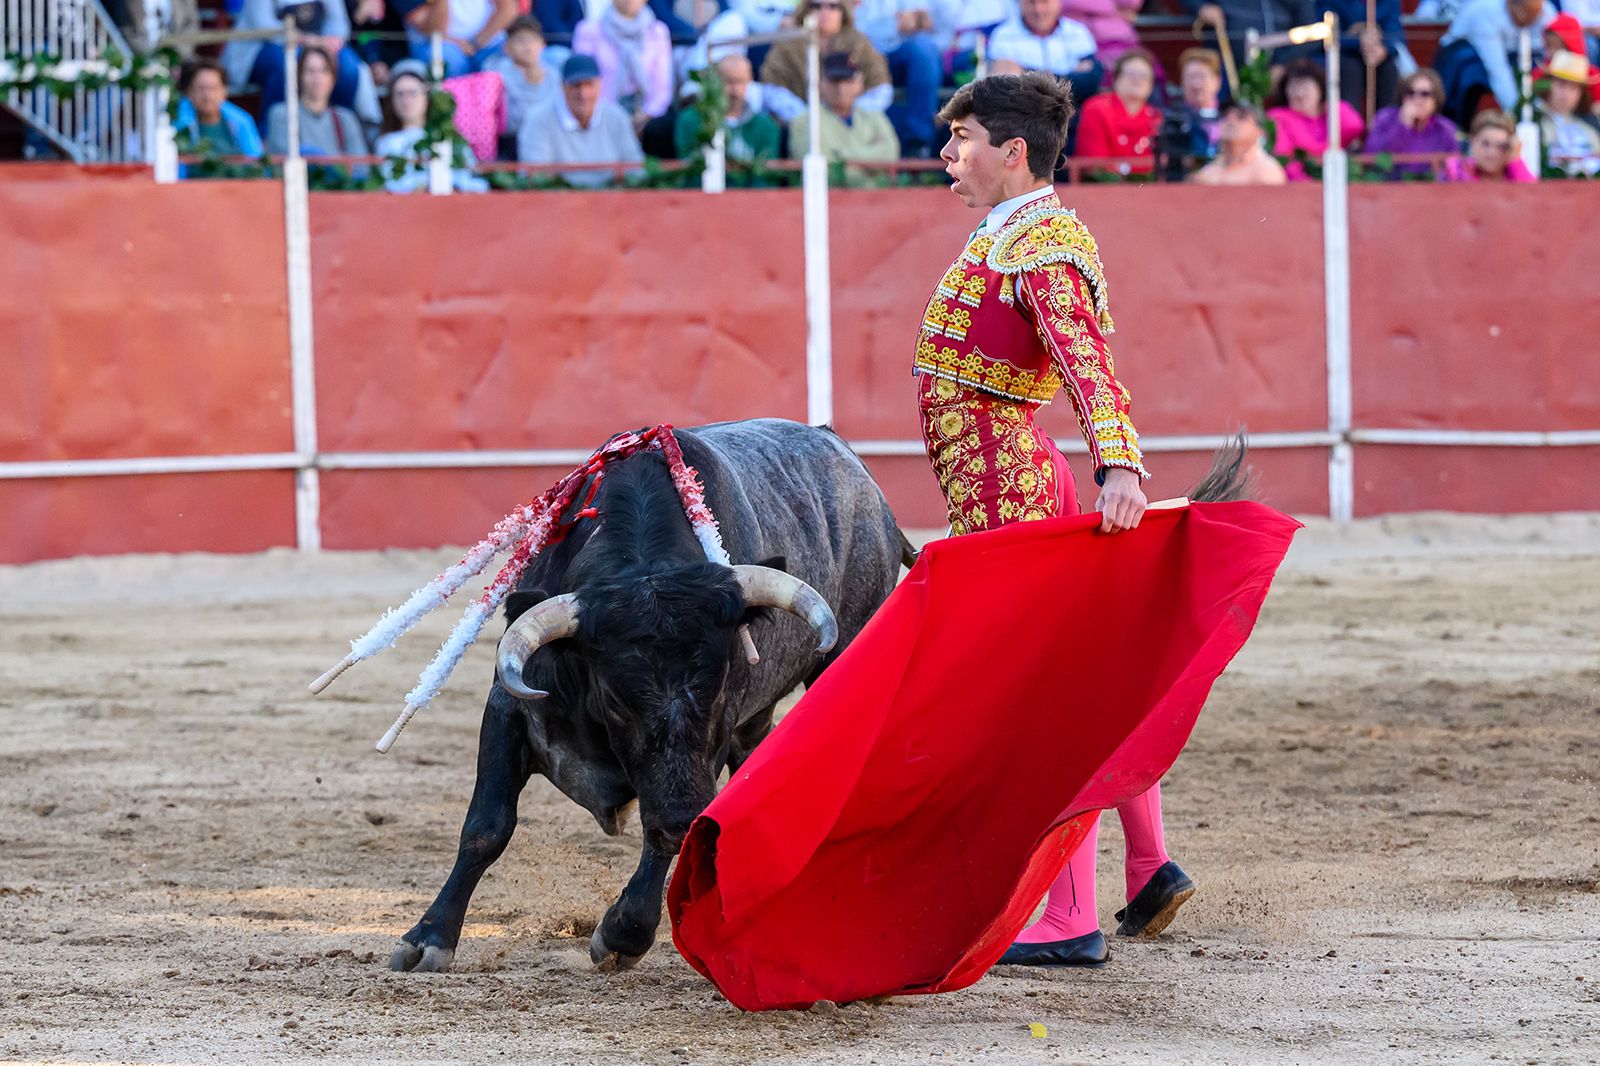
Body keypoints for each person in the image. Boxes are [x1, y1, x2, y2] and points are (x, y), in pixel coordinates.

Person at [922, 71, 1192, 969]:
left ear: (1012, 152)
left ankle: (1068, 915)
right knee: (1086, 668)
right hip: (1012, 475)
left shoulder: (1040, 243)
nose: (947, 154)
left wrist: (1120, 463)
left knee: (1041, 695)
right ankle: (1148, 864)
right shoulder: (1014, 233)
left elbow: (1086, 362)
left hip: (1011, 484)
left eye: (962, 139)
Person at [221, 0, 374, 122]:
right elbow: (263, 25)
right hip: (265, 47)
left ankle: (337, 126)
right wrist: (307, 40)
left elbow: (339, 23)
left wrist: (331, 42)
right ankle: (272, 129)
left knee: (348, 68)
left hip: (318, 44)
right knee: (285, 64)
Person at [517, 52, 645, 187]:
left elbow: (635, 168)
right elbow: (536, 175)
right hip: (556, 198)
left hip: (613, 197)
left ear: (600, 85)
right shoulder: (538, 118)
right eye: (576, 85)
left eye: (589, 84)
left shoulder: (617, 116)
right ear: (562, 87)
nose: (583, 94)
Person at [761, 0, 892, 125]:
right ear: (806, 10)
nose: (825, 12)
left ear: (843, 11)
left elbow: (880, 86)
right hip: (800, 122)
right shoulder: (788, 43)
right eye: (817, 6)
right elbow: (772, 87)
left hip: (852, 124)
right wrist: (806, 117)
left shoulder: (859, 42)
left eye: (833, 6)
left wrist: (851, 115)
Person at [854, 0, 956, 157]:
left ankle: (918, 142)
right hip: (858, 55)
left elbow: (925, 21)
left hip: (896, 54)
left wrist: (915, 20)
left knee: (924, 48)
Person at [372, 60, 490, 191]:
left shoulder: (451, 140)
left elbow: (475, 181)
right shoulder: (387, 143)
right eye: (400, 94)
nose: (406, 100)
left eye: (413, 93)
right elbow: (388, 185)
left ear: (427, 96)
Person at [1435, 0, 1556, 126]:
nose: (1534, 20)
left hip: (1511, 54)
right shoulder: (1486, 13)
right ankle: (1459, 126)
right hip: (1461, 60)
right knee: (1470, 74)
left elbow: (1546, 55)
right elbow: (1498, 71)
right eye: (1528, 14)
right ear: (1512, 4)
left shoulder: (1544, 10)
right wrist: (1518, 117)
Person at [573, 0, 675, 132]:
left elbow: (662, 87)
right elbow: (584, 81)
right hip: (602, 116)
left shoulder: (657, 31)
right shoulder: (588, 31)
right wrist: (612, 116)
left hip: (647, 119)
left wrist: (646, 115)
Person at [987, 0, 1104, 112]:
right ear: (1020, 3)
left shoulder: (1078, 32)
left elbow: (1090, 84)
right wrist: (1069, 78)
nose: (1038, 9)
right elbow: (1007, 90)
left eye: (1045, 1)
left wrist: (1025, 74)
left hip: (1072, 112)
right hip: (1026, 115)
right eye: (1031, 2)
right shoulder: (1003, 36)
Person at [788, 51, 901, 166]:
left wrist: (841, 154)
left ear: (860, 84)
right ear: (821, 84)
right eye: (834, 81)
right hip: (835, 180)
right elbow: (825, 165)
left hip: (877, 179)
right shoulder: (805, 121)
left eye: (848, 81)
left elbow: (891, 153)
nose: (841, 88)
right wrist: (871, 158)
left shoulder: (873, 116)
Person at [1266, 59, 1365, 180]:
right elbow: (1284, 158)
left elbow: (1355, 128)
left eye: (1305, 86)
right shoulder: (1277, 117)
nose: (1299, 93)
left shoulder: (1334, 112)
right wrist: (1309, 185)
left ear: (1320, 89)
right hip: (1299, 183)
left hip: (1339, 177)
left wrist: (1330, 106)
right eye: (1293, 86)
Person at [674, 55, 782, 166]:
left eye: (741, 82)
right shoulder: (691, 121)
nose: (735, 90)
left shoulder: (766, 126)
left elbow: (768, 172)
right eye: (729, 82)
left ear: (750, 80)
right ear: (715, 80)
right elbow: (688, 167)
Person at [265, 46, 370, 157]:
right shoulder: (281, 115)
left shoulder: (346, 119)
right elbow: (281, 161)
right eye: (310, 71)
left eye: (324, 71)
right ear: (299, 76)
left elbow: (360, 164)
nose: (317, 77)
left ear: (333, 78)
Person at [1073, 48, 1161, 175]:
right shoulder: (1096, 109)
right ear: (1116, 79)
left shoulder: (1156, 117)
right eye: (1131, 74)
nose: (1138, 80)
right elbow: (1094, 165)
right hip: (1104, 186)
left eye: (1144, 76)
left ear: (1151, 85)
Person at [1363, 69, 1462, 177]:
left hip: (1431, 186)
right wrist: (1403, 125)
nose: (1417, 100)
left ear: (1436, 99)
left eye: (1425, 94)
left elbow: (1454, 170)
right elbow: (1371, 158)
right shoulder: (1385, 118)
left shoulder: (1445, 129)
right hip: (1388, 184)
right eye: (1410, 93)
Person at [484, 15, 561, 139]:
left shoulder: (554, 75)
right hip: (510, 140)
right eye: (521, 41)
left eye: (533, 40)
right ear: (506, 47)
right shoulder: (496, 75)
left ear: (543, 45)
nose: (528, 47)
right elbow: (507, 124)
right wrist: (530, 85)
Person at [1319, 0, 1402, 113]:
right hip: (1345, 54)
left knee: (1389, 68)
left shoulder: (1389, 2)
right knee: (1350, 69)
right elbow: (1325, 35)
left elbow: (1396, 35)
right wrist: (1358, 40)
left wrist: (1383, 49)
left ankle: (1387, 121)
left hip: (1378, 54)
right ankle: (1349, 121)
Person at [174, 56, 264, 159]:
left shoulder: (241, 121)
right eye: (201, 88)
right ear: (189, 92)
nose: (207, 96)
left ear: (224, 91)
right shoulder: (178, 122)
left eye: (213, 88)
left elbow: (255, 159)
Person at [1183, 0, 1319, 67]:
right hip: (1227, 64)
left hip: (1279, 70)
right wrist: (1201, 7)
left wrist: (1282, 65)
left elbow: (1311, 32)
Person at [406, 0, 520, 78]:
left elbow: (508, 9)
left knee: (516, 57)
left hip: (488, 42)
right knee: (448, 59)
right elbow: (432, 30)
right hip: (446, 45)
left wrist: (476, 43)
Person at [1191, 100, 1289, 184]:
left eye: (1241, 117)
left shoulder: (1267, 171)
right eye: (1224, 116)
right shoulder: (1207, 174)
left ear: (1259, 132)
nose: (1230, 121)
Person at [1535, 50, 1600, 175]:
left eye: (1573, 88)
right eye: (1561, 84)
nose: (1566, 93)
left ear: (1581, 94)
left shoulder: (1591, 123)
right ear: (1548, 85)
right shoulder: (1533, 119)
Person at [1441, 108, 1538, 180]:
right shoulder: (1456, 172)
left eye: (1501, 146)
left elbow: (1534, 195)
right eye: (1485, 143)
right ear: (1472, 142)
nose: (1492, 152)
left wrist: (1516, 159)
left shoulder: (1516, 175)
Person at [1062, 0, 1146, 69]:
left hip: (1116, 39)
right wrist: (1113, 8)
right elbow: (1068, 3)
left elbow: (1132, 2)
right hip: (1072, 42)